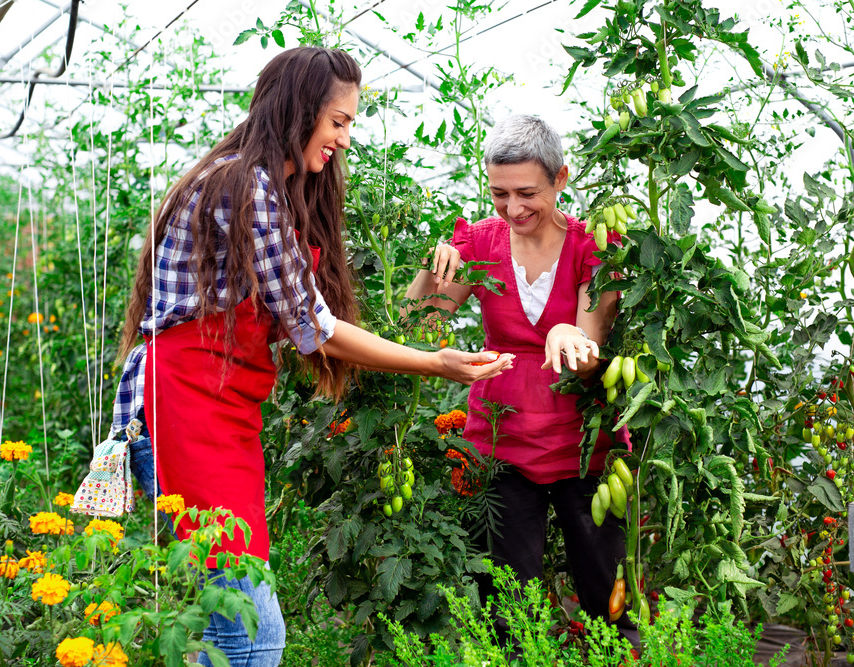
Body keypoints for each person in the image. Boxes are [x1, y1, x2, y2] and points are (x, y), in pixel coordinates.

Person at [109, 46, 514, 667]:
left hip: (220, 412)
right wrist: (436, 362)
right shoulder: (245, 186)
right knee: (252, 631)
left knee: (231, 621)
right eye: (338, 123)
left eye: (350, 124)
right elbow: (315, 329)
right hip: (183, 408)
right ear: (300, 111)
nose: (344, 141)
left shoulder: (260, 184)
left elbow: (320, 319)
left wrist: (424, 311)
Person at [405, 114, 635, 643]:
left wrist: (565, 335)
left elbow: (591, 353)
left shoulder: (592, 247)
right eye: (498, 194)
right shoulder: (481, 242)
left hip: (584, 446)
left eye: (527, 192)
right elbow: (417, 328)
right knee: (509, 606)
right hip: (498, 443)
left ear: (561, 178)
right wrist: (429, 269)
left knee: (608, 598)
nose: (513, 209)